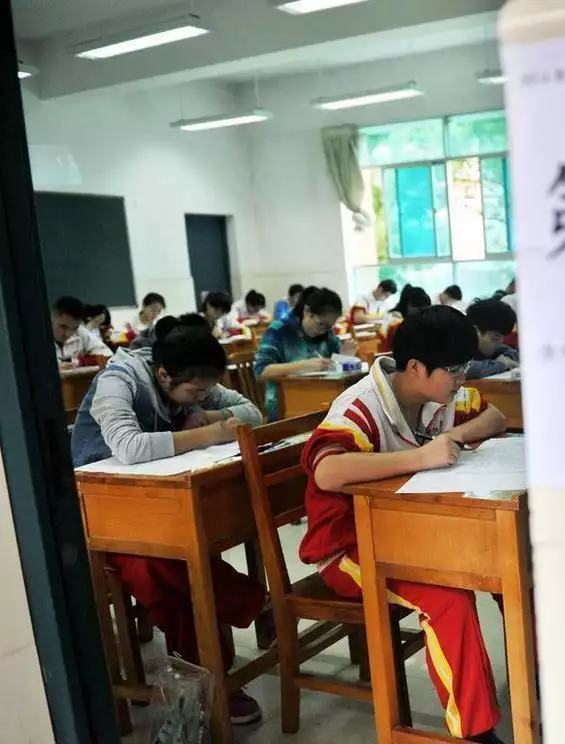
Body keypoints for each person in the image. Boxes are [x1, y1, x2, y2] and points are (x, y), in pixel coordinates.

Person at [300, 306, 508, 743]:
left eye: (465, 368)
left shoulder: (442, 396)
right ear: (416, 367)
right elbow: (327, 473)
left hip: (413, 534)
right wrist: (421, 457)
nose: (462, 379)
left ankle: (541, 670)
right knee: (448, 597)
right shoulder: (360, 407)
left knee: (503, 561)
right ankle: (475, 731)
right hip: (351, 548)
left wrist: (452, 436)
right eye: (454, 370)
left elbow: (496, 418)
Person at [70, 317, 267, 724]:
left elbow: (253, 413)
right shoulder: (119, 380)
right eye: (196, 393)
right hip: (106, 512)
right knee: (158, 569)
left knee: (184, 554)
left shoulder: (191, 376)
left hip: (160, 503)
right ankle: (251, 614)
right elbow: (129, 446)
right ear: (163, 375)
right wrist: (209, 433)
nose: (201, 397)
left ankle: (206, 676)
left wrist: (208, 416)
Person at [255, 287, 357, 421]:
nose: (324, 330)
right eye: (321, 324)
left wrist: (344, 357)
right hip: (285, 406)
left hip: (322, 399)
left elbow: (332, 365)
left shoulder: (326, 332)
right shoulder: (279, 330)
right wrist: (304, 365)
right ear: (307, 311)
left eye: (329, 326)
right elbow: (261, 372)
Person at [464, 299, 519, 380]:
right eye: (495, 338)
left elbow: (512, 352)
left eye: (502, 338)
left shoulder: (491, 347)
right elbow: (468, 369)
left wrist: (507, 359)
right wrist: (503, 364)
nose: (499, 344)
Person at [53, 295, 112, 369]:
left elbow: (107, 354)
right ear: (52, 319)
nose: (68, 334)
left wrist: (81, 361)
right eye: (63, 327)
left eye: (74, 328)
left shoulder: (80, 332)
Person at [379, 285, 432, 353]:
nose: (423, 314)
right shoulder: (395, 320)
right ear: (409, 306)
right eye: (420, 310)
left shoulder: (425, 318)